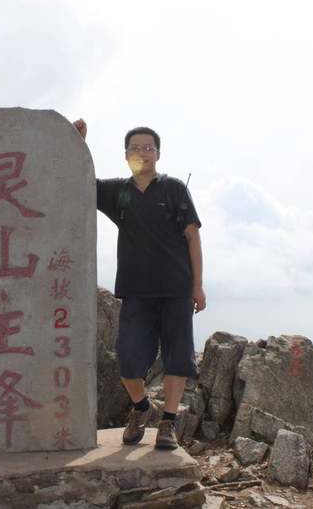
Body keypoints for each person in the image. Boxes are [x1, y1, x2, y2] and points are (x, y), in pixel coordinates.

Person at [73, 118, 206, 450]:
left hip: (176, 289)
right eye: (136, 148)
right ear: (126, 155)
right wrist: (77, 143)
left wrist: (197, 286)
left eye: (148, 147)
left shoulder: (174, 188)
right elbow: (79, 181)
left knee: (178, 359)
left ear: (158, 153)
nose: (142, 152)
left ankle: (168, 424)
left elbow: (193, 238)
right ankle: (142, 408)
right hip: (135, 292)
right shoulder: (117, 192)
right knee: (128, 360)